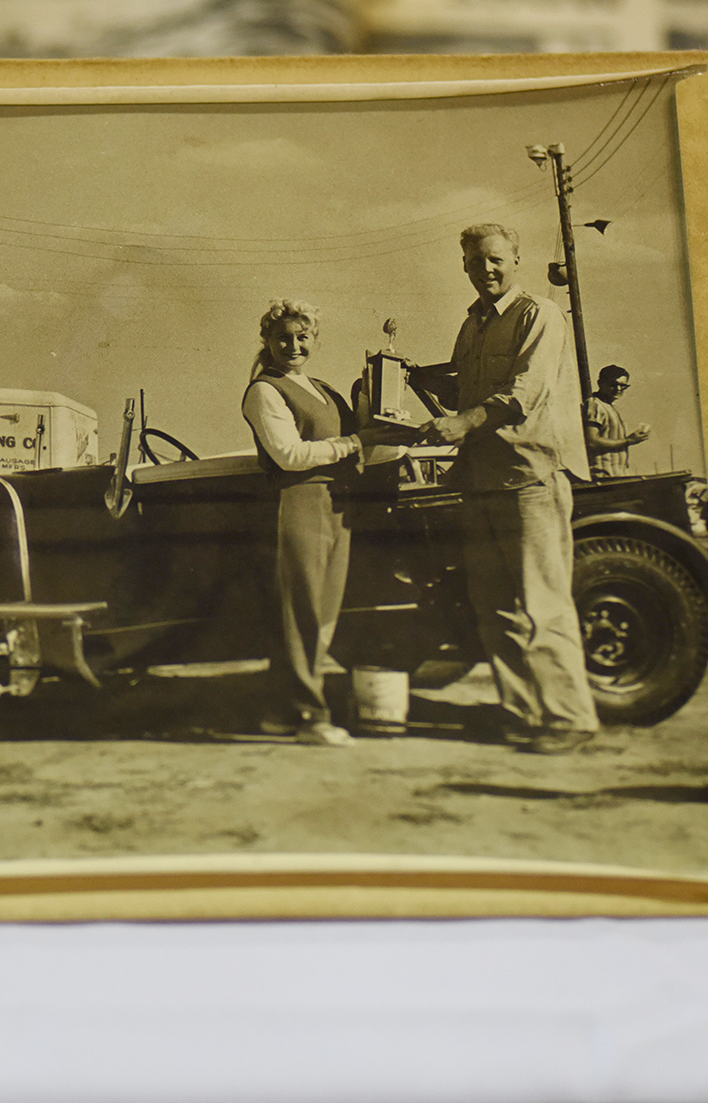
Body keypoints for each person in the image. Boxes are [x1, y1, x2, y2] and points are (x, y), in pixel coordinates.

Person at [426, 225, 599, 754]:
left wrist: (466, 418)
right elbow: (462, 390)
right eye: (475, 262)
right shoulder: (471, 324)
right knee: (493, 607)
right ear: (464, 267)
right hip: (480, 479)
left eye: (496, 260)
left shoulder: (540, 315)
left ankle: (571, 718)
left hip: (531, 477)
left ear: (517, 260)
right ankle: (523, 713)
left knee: (543, 605)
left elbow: (526, 390)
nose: (487, 270)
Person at [242, 300, 408, 746]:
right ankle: (310, 716)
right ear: (268, 341)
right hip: (296, 502)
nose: (293, 345)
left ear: (315, 340)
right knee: (301, 613)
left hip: (337, 505)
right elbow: (289, 455)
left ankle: (281, 711)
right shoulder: (264, 390)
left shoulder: (322, 388)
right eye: (283, 338)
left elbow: (364, 440)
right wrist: (355, 440)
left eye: (302, 337)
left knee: (324, 614)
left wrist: (388, 415)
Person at [583, 364, 649, 479]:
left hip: (616, 474)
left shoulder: (609, 407)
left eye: (623, 386)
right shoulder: (594, 404)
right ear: (600, 383)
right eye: (613, 384)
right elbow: (592, 441)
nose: (618, 389)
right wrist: (628, 440)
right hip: (602, 475)